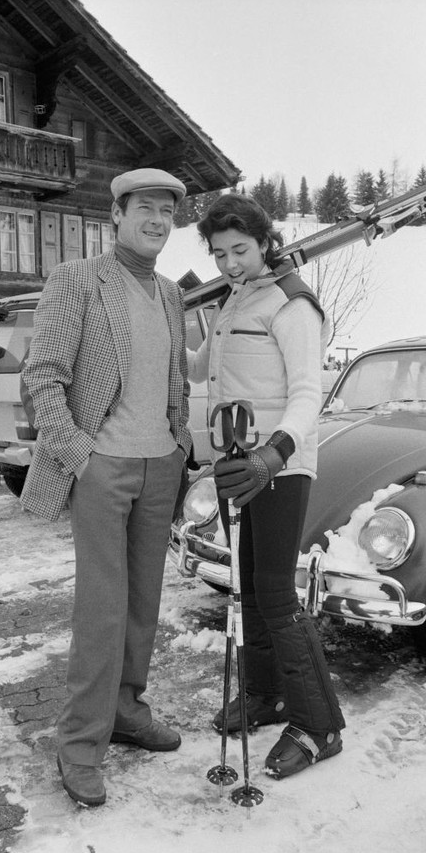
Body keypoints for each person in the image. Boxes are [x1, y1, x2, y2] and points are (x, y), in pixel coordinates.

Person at [21, 168, 192, 807]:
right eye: (144, 209)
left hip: (160, 466)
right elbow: (43, 377)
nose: (156, 221)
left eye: (166, 214)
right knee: (102, 608)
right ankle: (79, 743)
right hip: (103, 468)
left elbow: (173, 376)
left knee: (144, 602)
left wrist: (180, 443)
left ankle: (126, 710)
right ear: (115, 215)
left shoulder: (171, 293)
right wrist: (80, 455)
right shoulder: (76, 280)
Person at [188, 194, 345, 779]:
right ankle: (266, 695)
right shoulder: (233, 300)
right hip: (237, 463)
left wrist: (272, 455)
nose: (229, 263)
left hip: (278, 465)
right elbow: (199, 367)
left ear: (265, 242)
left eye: (240, 250)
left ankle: (318, 724)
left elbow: (310, 393)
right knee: (249, 588)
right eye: (220, 253)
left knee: (276, 592)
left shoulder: (292, 304)